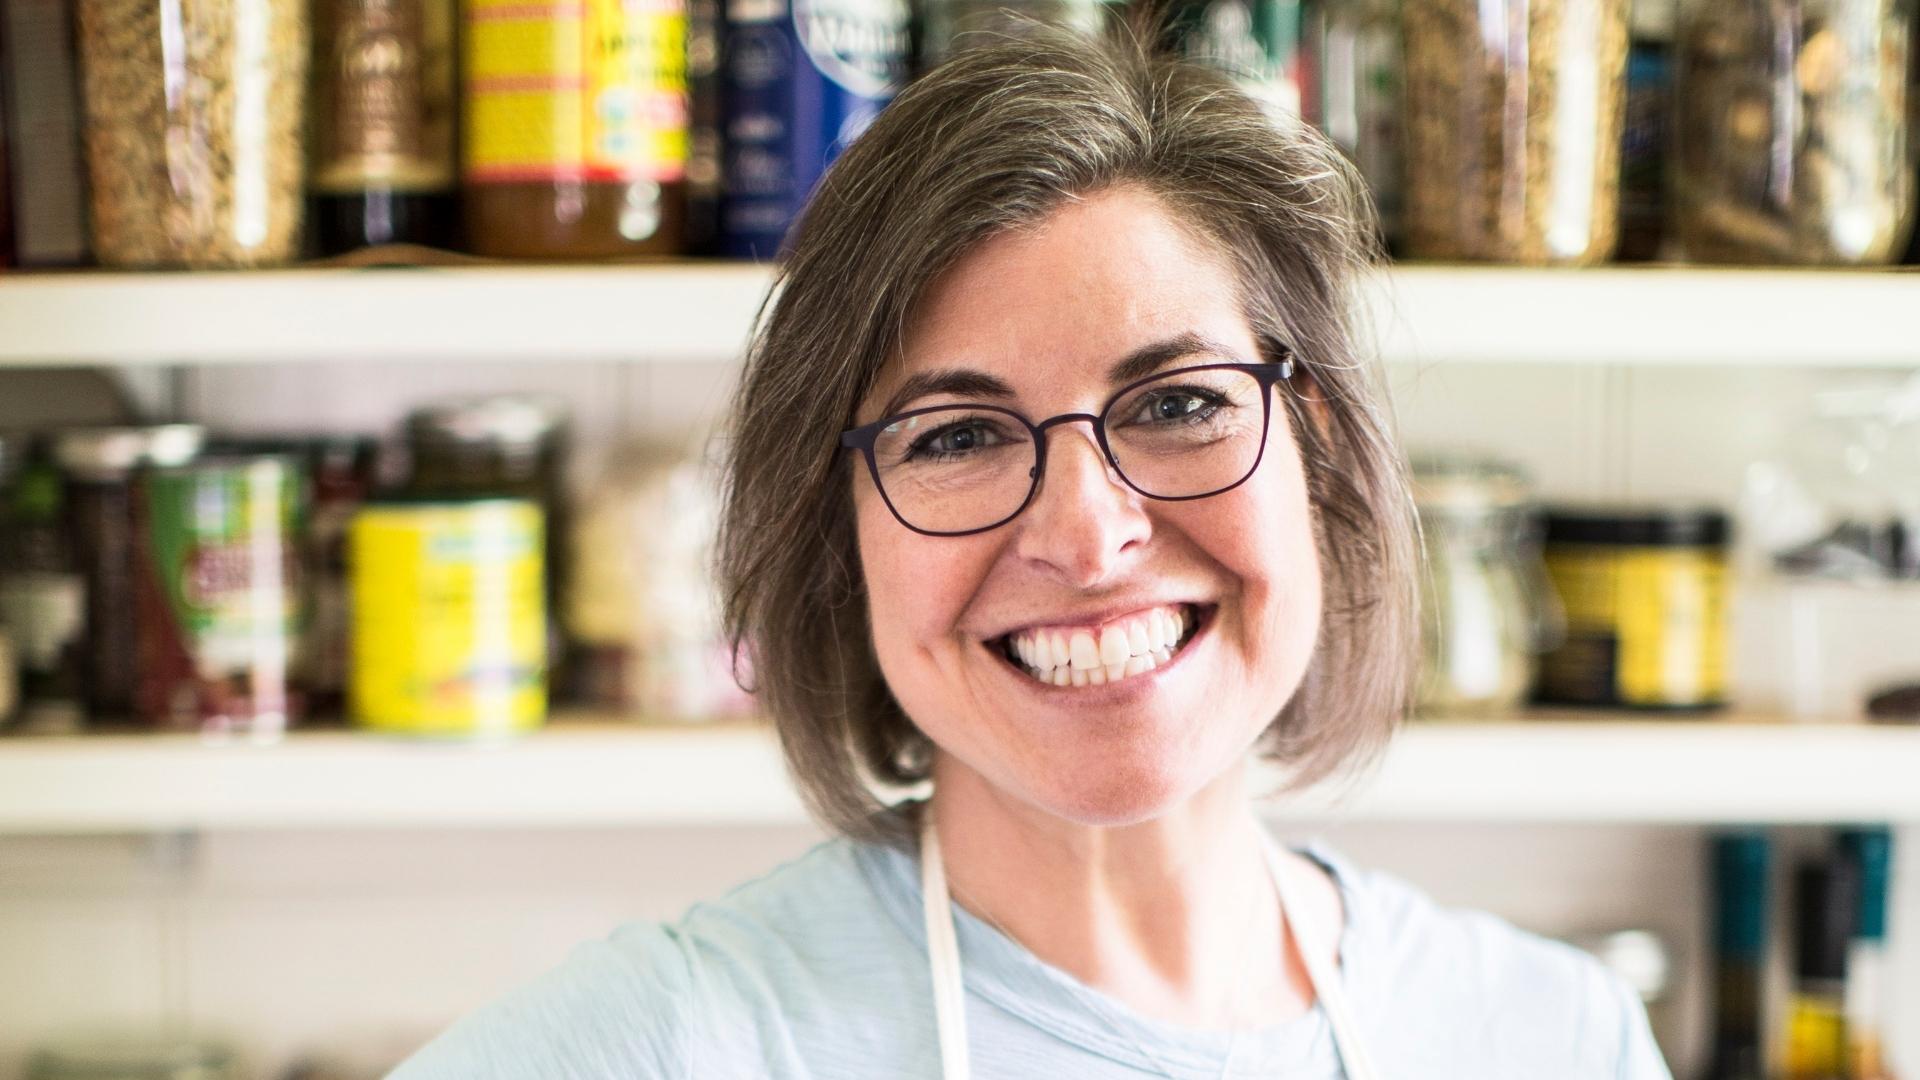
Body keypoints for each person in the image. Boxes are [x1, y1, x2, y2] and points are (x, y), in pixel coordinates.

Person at [389, 29, 1672, 1080]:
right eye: (956, 435)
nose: (1088, 534)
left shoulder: (1554, 1036)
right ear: (841, 532)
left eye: (1178, 405)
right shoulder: (671, 1046)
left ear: (1318, 452)